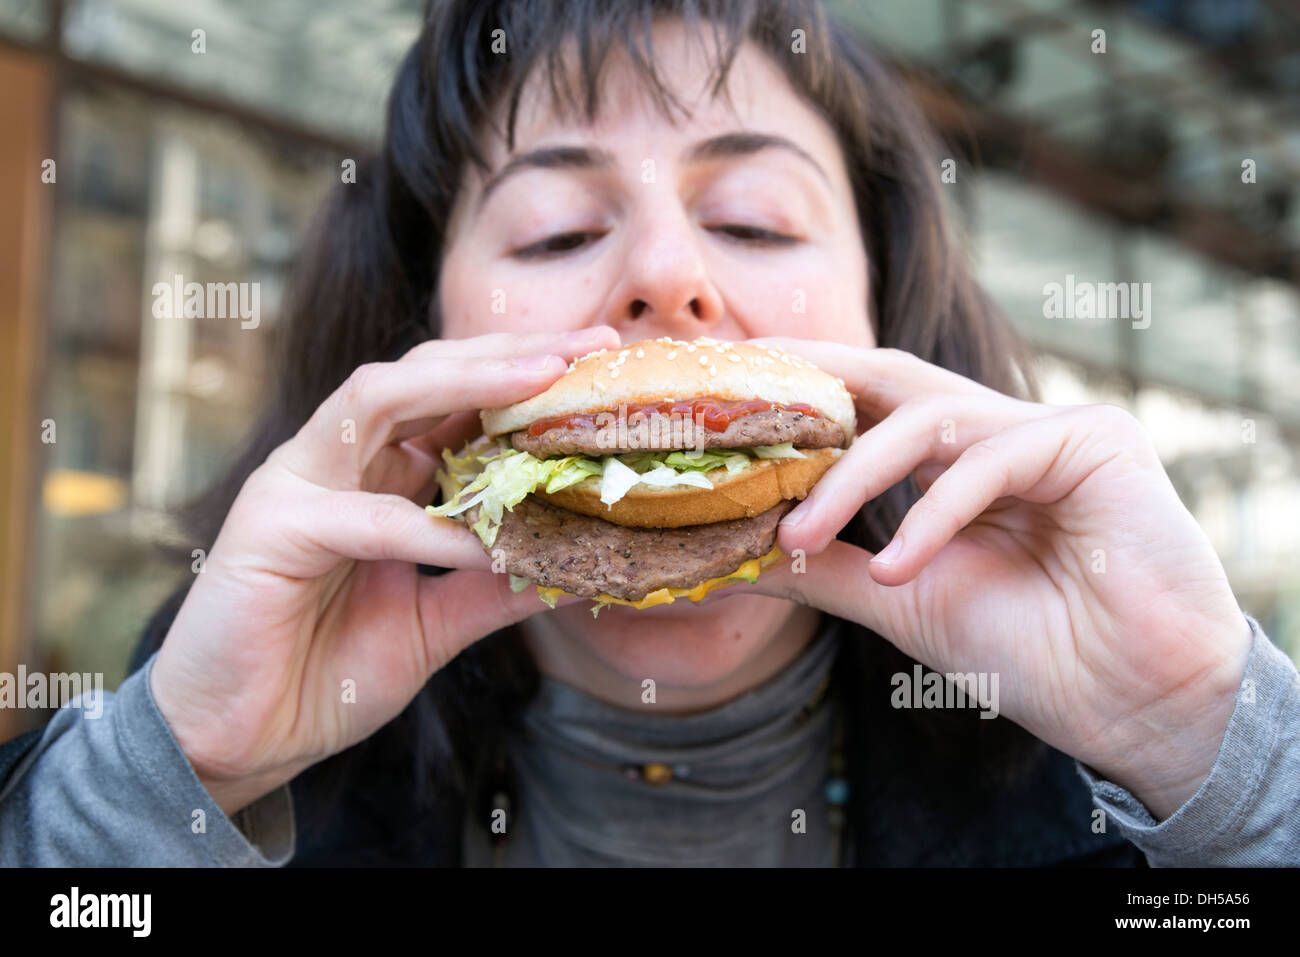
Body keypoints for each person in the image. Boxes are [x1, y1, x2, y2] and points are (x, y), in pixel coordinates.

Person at [2, 0, 1297, 867]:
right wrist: (161, 784)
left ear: (884, 319)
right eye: (560, 231)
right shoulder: (252, 741)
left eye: (753, 218)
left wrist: (1216, 750)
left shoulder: (1080, 772)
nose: (665, 276)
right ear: (419, 339)